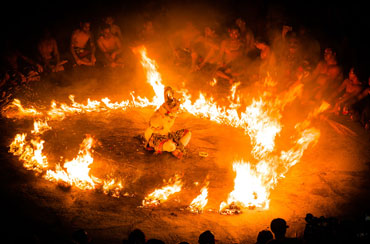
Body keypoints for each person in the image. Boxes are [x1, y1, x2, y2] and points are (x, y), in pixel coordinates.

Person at [144, 86, 191, 159]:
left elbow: (167, 129)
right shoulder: (159, 115)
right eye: (177, 108)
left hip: (167, 135)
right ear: (170, 108)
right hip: (155, 137)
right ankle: (175, 149)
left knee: (188, 133)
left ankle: (177, 149)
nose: (178, 110)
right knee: (171, 146)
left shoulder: (172, 115)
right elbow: (152, 129)